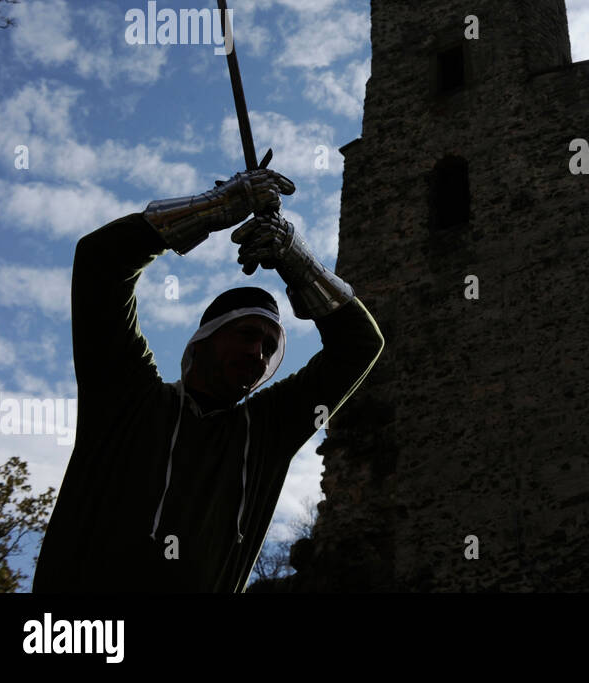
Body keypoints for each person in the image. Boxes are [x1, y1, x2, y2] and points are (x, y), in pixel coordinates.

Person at [32, 167, 384, 592]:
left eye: (270, 347)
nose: (258, 354)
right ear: (201, 342)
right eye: (246, 335)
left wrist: (296, 257)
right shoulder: (126, 396)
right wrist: (217, 207)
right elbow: (100, 261)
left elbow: (360, 346)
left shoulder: (265, 433)